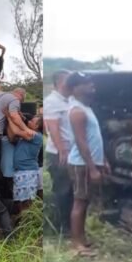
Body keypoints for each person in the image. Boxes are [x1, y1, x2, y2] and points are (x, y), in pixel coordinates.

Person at [67, 72, 104, 257]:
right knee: (79, 202)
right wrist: (92, 168)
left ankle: (81, 238)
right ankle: (76, 243)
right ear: (75, 89)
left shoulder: (85, 108)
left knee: (85, 201)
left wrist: (103, 160)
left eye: (90, 82)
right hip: (81, 164)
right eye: (85, 83)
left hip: (88, 163)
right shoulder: (77, 111)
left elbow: (94, 139)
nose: (91, 85)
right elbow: (82, 142)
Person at [43, 70, 74, 232]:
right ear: (61, 83)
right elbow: (53, 127)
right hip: (59, 153)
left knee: (70, 189)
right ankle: (63, 226)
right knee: (63, 189)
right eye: (69, 81)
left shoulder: (68, 101)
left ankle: (70, 224)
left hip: (70, 152)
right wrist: (62, 150)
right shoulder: (52, 101)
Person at [11, 115, 44, 212]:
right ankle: (24, 222)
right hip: (21, 172)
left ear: (37, 126)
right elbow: (13, 134)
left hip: (27, 173)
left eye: (32, 121)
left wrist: (9, 116)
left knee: (26, 202)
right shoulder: (28, 135)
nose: (29, 121)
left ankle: (27, 222)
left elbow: (16, 131)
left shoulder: (36, 136)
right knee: (20, 201)